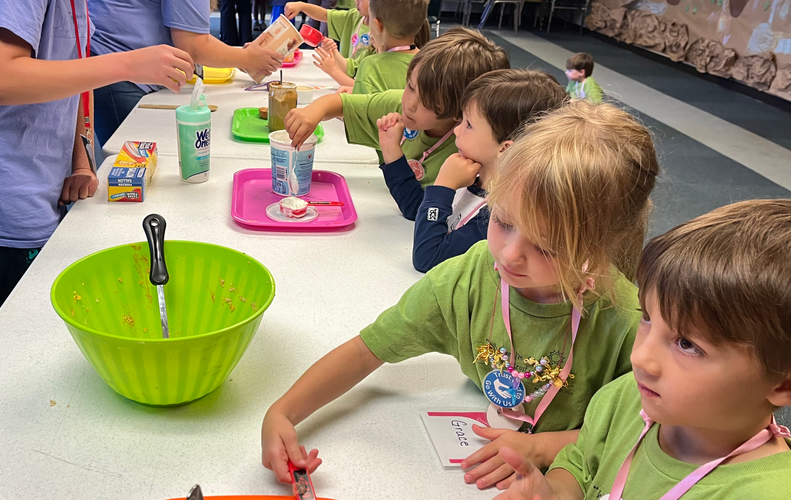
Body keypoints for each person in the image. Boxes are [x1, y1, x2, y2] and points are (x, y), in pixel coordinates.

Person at [261, 102, 659, 490]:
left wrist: (542, 447)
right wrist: (284, 412)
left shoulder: (628, 322)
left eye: (548, 247)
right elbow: (367, 350)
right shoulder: (467, 278)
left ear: (603, 245)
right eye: (502, 221)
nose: (509, 254)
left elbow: (644, 430)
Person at [498, 199, 791, 500]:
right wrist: (553, 494)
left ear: (786, 384)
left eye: (687, 344)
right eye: (648, 317)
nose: (640, 357)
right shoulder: (627, 399)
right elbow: (580, 466)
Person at [0, 0, 193, 335]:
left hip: (40, 182)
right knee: (17, 345)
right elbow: (1, 79)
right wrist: (129, 64)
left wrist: (81, 159)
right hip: (2, 195)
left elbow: (66, 72)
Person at [283, 28, 509, 217]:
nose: (410, 104)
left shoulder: (470, 149)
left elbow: (418, 209)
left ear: (460, 113)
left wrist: (392, 152)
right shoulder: (399, 105)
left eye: (428, 103)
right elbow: (341, 103)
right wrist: (314, 111)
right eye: (410, 87)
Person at [411, 70, 567, 273]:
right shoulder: (469, 179)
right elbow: (413, 209)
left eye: (468, 125)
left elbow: (427, 258)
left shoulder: (497, 215)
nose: (456, 130)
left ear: (505, 149)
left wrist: (442, 188)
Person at [88, 0, 283, 155]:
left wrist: (238, 58)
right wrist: (248, 58)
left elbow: (189, 30)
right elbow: (193, 45)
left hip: (119, 64)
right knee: (134, 163)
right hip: (122, 72)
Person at [285, 0, 372, 87]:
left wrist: (333, 70)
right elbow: (325, 15)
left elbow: (363, 88)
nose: (356, 1)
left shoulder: (380, 40)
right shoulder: (355, 16)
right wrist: (302, 6)